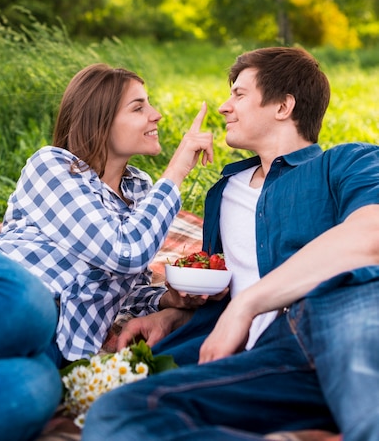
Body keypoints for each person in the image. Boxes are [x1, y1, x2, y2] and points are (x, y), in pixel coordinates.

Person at [81, 47, 379, 441]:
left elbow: (371, 237)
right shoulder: (223, 193)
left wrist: (248, 304)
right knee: (121, 414)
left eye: (239, 94)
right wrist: (175, 315)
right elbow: (225, 283)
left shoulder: (347, 163)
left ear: (283, 106)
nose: (224, 107)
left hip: (345, 313)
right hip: (271, 361)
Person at [0, 63, 213, 366]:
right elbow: (124, 252)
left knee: (32, 394)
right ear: (100, 121)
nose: (156, 114)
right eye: (138, 107)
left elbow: (124, 287)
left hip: (59, 336)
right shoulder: (54, 165)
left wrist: (167, 299)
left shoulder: (141, 190)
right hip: (2, 282)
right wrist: (177, 171)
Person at [0, 233, 62, 441]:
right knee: (27, 303)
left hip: (48, 340)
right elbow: (125, 252)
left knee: (37, 386)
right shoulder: (88, 201)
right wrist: (149, 201)